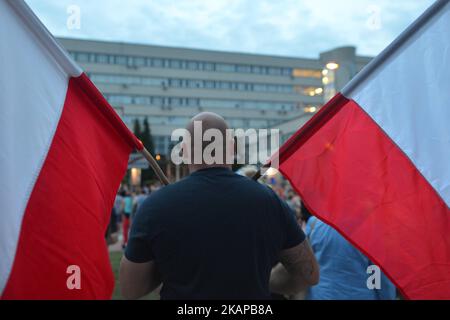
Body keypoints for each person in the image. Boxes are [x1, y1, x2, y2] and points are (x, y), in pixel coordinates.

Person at [120, 112, 319, 300]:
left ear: (184, 151)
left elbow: (130, 288)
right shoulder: (269, 201)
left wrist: (166, 267)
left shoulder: (155, 206)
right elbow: (308, 273)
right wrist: (267, 282)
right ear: (232, 148)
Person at [304, 211, 396, 300]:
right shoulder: (372, 229)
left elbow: (306, 264)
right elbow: (381, 277)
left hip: (321, 295)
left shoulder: (314, 223)